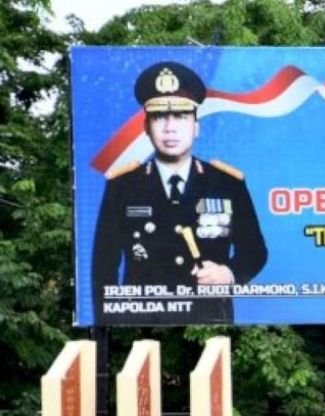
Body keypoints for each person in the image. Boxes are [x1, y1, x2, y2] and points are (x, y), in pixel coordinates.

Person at [91, 60, 267, 325]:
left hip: (208, 320)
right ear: (146, 128)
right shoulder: (122, 185)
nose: (170, 127)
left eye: (181, 116)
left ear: (196, 127)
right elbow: (103, 267)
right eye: (160, 117)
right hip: (142, 322)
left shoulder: (226, 183)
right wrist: (108, 321)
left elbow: (254, 251)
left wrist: (228, 273)